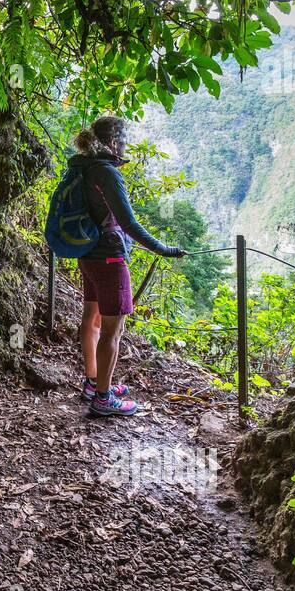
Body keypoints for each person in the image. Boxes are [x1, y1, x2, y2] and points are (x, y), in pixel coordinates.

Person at [72, 115, 186, 417]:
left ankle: (94, 382)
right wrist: (162, 248)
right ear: (113, 142)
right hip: (110, 257)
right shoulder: (107, 173)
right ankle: (103, 399)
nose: (125, 147)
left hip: (87, 252)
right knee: (113, 328)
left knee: (91, 320)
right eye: (123, 141)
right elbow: (128, 221)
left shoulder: (82, 166)